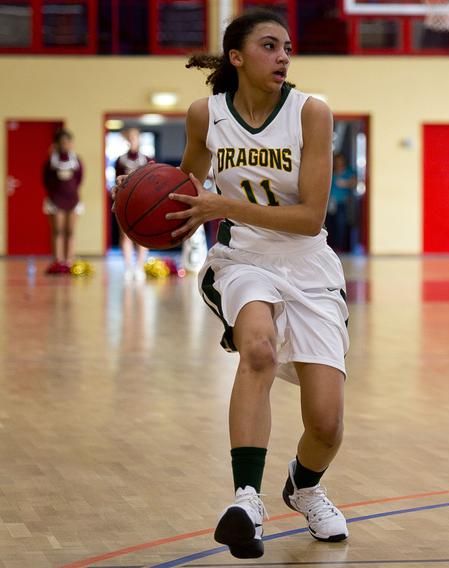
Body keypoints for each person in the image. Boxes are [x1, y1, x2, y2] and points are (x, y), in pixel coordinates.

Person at [115, 10, 349, 558]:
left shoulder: (311, 112)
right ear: (237, 57)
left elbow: (312, 217)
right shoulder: (206, 114)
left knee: (328, 423)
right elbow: (187, 185)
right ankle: (247, 499)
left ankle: (305, 485)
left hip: (309, 263)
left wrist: (223, 202)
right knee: (259, 350)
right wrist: (139, 187)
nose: (284, 56)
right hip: (244, 257)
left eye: (288, 47)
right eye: (270, 46)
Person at [43, 129, 83, 274]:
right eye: (62, 143)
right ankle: (58, 262)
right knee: (57, 231)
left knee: (70, 231)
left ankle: (69, 261)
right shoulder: (51, 161)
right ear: (57, 144)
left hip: (72, 199)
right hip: (56, 200)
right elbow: (46, 180)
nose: (65, 145)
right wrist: (55, 194)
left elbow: (79, 179)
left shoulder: (76, 160)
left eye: (68, 142)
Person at [114, 128, 151, 281]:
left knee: (143, 234)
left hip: (143, 200)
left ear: (139, 139)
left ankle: (139, 267)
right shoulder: (120, 160)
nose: (132, 140)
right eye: (130, 137)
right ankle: (128, 267)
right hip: (126, 200)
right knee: (125, 235)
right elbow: (117, 181)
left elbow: (152, 181)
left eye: (135, 137)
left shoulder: (146, 159)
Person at [327, 153, 356, 252]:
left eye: (340, 160)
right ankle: (330, 247)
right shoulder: (331, 171)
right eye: (336, 160)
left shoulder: (349, 171)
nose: (338, 162)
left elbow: (355, 182)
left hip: (342, 203)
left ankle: (340, 247)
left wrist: (345, 183)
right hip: (330, 204)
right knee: (329, 225)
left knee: (341, 225)